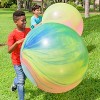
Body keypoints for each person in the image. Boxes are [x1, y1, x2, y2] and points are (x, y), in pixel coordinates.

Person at [7, 10, 30, 100]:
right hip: (17, 61)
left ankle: (14, 82)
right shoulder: (12, 35)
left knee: (24, 77)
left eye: (25, 20)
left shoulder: (29, 30)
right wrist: (17, 43)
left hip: (27, 60)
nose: (25, 22)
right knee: (21, 81)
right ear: (15, 22)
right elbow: (9, 50)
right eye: (22, 20)